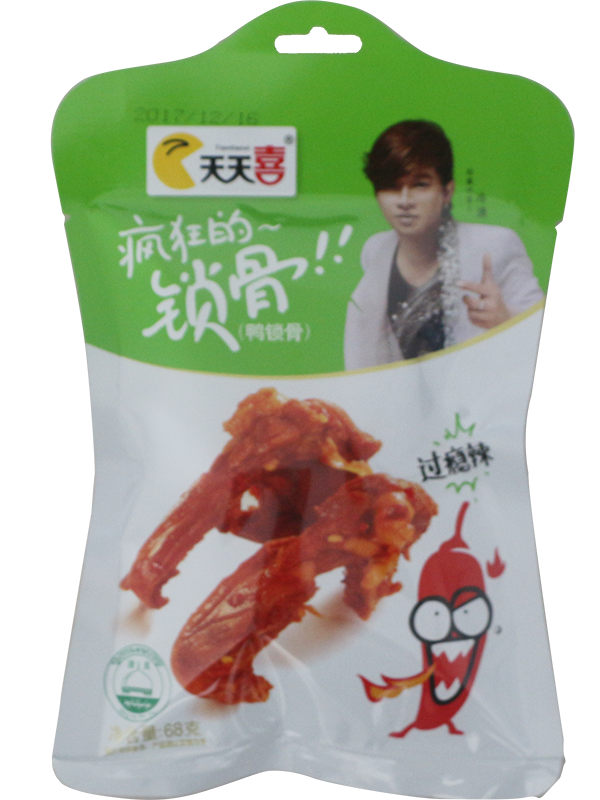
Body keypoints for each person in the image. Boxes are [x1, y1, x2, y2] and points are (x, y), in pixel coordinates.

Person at [344, 121, 543, 369]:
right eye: (391, 187)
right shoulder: (376, 250)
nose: (404, 201)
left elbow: (550, 335)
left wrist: (506, 319)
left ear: (447, 192)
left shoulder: (495, 246)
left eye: (420, 184)